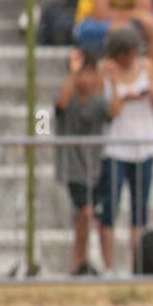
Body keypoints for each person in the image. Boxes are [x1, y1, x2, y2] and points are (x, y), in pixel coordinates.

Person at [99, 27, 153, 272]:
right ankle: (109, 267)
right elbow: (113, 111)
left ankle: (137, 267)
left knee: (140, 210)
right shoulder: (105, 71)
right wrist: (117, 86)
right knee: (110, 208)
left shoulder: (147, 67)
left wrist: (151, 91)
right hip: (116, 148)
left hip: (144, 145)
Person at [54, 48, 110, 276]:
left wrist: (110, 79)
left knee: (87, 217)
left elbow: (114, 111)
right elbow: (61, 105)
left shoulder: (97, 102)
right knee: (84, 214)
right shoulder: (68, 97)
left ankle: (81, 263)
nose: (85, 78)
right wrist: (73, 73)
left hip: (95, 168)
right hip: (73, 168)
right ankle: (79, 261)